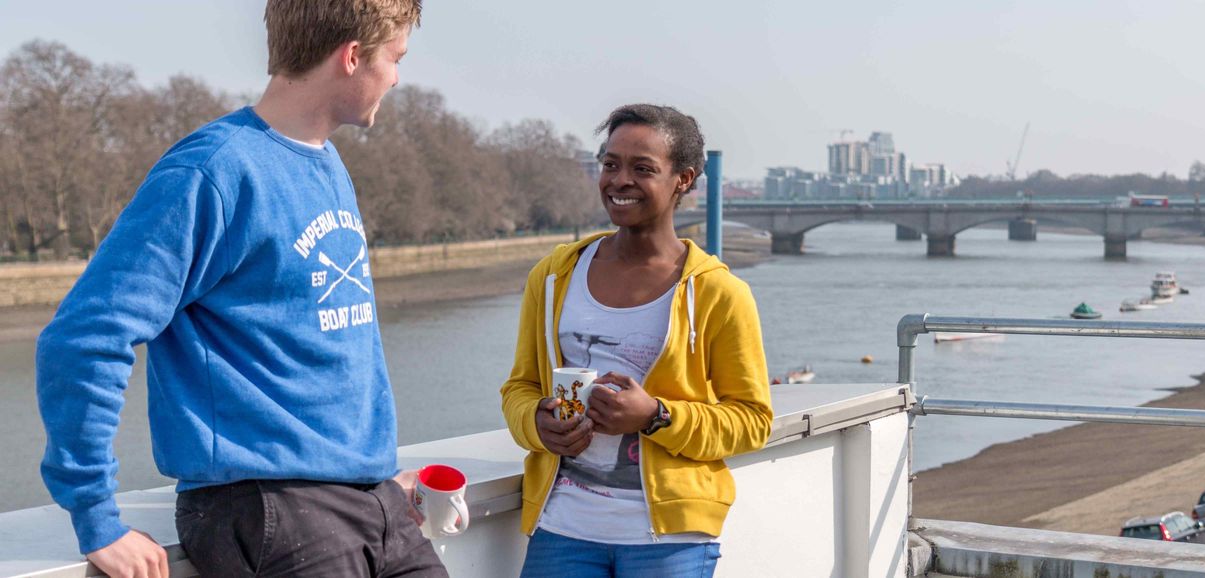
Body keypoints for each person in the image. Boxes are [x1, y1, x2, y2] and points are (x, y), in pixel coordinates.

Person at [34, 1, 444, 576]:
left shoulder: (327, 165)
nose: (397, 76)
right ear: (352, 58)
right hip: (271, 511)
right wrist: (95, 515)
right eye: (395, 58)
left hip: (373, 505)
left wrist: (369, 477)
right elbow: (83, 336)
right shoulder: (211, 172)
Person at [500, 104, 773, 577]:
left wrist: (656, 416)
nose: (619, 180)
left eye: (642, 168)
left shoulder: (720, 293)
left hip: (668, 542)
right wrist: (535, 423)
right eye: (610, 164)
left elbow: (752, 422)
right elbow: (519, 388)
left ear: (683, 180)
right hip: (561, 530)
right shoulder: (552, 276)